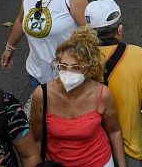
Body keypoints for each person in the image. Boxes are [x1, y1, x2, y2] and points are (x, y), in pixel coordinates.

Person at [30, 27, 126, 167]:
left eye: (76, 68)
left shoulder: (102, 94)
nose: (68, 72)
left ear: (88, 68)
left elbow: (115, 131)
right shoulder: (42, 95)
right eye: (63, 66)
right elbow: (36, 139)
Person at [0, 0, 88, 91]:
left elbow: (91, 32)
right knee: (42, 113)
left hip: (68, 76)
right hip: (36, 74)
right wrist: (9, 48)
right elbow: (21, 20)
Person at [85, 0, 142, 167]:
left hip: (90, 148)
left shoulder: (76, 60)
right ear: (119, 29)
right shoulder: (138, 55)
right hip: (129, 148)